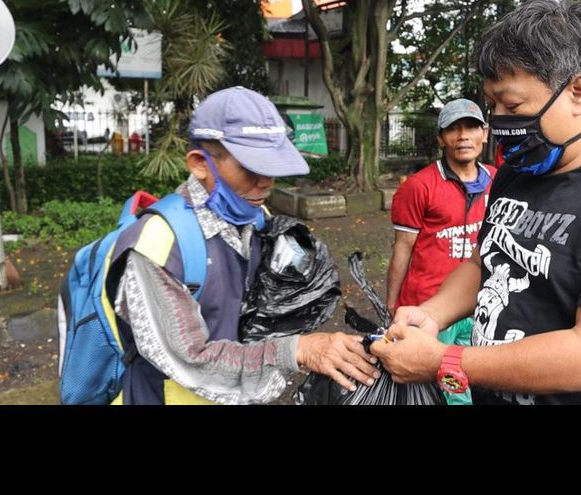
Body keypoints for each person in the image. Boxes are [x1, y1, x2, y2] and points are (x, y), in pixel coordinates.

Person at [371, 0, 581, 405]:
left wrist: (445, 360)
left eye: (511, 106)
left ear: (578, 92)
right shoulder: (516, 173)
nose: (497, 120)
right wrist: (433, 314)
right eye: (493, 105)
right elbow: (485, 264)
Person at [107, 86, 380, 404]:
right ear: (200, 163)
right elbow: (193, 359)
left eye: (273, 168)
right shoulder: (157, 245)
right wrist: (299, 349)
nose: (266, 183)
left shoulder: (253, 218)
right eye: (252, 168)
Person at [386, 99, 496, 404]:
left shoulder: (498, 181)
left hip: (478, 303)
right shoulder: (418, 187)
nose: (463, 136)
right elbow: (403, 247)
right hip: (431, 305)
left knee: (474, 377)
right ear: (440, 138)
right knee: (437, 388)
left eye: (472, 127)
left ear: (485, 133)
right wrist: (392, 303)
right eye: (453, 129)